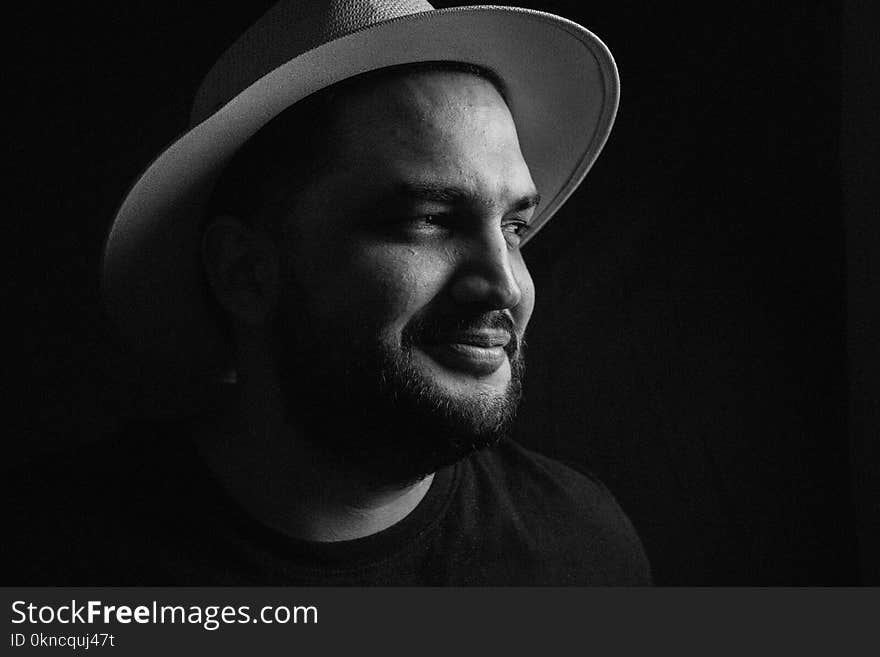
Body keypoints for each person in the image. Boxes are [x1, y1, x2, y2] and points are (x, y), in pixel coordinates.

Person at [5, 0, 650, 585]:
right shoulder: (48, 565)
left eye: (513, 227)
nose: (504, 284)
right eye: (425, 220)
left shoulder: (582, 548)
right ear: (244, 272)